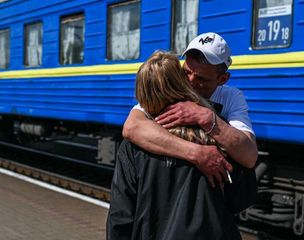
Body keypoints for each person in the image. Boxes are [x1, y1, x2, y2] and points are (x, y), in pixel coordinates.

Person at [107, 51, 241, 240]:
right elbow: (241, 197)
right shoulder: (218, 131)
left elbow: (121, 215)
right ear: (180, 83)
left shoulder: (134, 145)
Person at [122, 32, 258, 187]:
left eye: (201, 78)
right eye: (186, 72)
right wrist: (196, 153)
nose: (190, 82)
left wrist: (206, 117)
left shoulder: (231, 96)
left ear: (222, 79)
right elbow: (132, 127)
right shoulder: (173, 88)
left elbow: (249, 156)